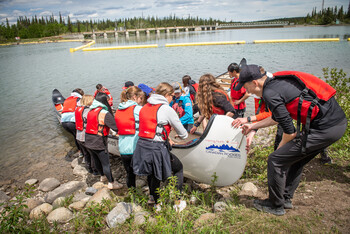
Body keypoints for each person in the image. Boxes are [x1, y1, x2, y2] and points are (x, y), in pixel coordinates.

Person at [234, 64, 347, 216]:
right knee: (295, 159)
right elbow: (277, 117)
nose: (246, 91)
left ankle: (276, 205)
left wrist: (281, 149)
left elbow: (290, 132)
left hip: (325, 128)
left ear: (255, 82)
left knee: (276, 160)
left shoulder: (269, 93)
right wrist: (253, 125)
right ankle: (285, 198)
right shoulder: (275, 85)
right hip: (335, 123)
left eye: (246, 87)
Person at [132, 82, 188, 210]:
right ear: (167, 95)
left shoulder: (144, 106)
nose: (172, 99)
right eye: (172, 96)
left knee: (152, 174)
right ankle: (178, 203)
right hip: (156, 148)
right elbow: (184, 134)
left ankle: (155, 203)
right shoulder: (167, 109)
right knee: (178, 168)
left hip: (142, 146)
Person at [84, 92, 123, 190]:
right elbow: (115, 127)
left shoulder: (90, 111)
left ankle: (102, 176)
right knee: (105, 163)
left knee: (96, 160)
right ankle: (111, 183)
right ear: (104, 101)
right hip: (98, 141)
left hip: (88, 140)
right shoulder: (103, 113)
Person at [114, 86, 144, 188]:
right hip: (135, 148)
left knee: (130, 174)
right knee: (150, 170)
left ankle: (132, 196)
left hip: (123, 148)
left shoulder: (119, 110)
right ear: (135, 97)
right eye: (141, 98)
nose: (141, 101)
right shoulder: (139, 109)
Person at [75, 95, 97, 174]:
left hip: (78, 135)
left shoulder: (78, 109)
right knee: (92, 154)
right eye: (93, 100)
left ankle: (89, 168)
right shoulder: (87, 111)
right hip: (85, 137)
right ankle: (95, 170)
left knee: (86, 153)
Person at [61, 88, 84, 154]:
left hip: (63, 122)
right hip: (72, 122)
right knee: (80, 136)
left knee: (75, 136)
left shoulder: (67, 99)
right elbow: (82, 109)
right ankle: (83, 152)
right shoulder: (79, 99)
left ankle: (80, 150)